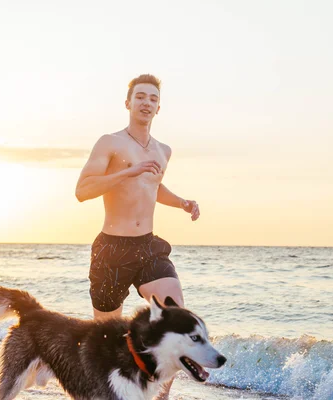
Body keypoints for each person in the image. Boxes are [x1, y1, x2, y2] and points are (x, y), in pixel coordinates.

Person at [75, 74, 198, 399]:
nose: (146, 102)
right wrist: (127, 171)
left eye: (153, 98)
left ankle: (158, 397)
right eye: (140, 96)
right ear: (128, 103)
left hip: (148, 247)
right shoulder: (110, 143)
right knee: (104, 340)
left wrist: (183, 202)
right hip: (111, 250)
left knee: (176, 319)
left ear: (159, 107)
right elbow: (82, 190)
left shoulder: (163, 150)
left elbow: (154, 188)